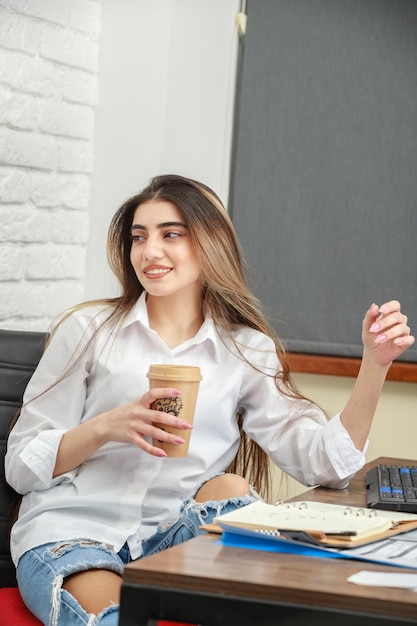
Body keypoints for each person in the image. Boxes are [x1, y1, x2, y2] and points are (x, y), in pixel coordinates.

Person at [5, 174, 414, 626]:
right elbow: (22, 466)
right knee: (115, 621)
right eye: (139, 237)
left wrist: (374, 366)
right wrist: (106, 426)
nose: (149, 252)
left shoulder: (244, 350)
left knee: (232, 489)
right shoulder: (87, 330)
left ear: (210, 243)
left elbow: (327, 466)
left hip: (174, 538)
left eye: (171, 235)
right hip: (76, 533)